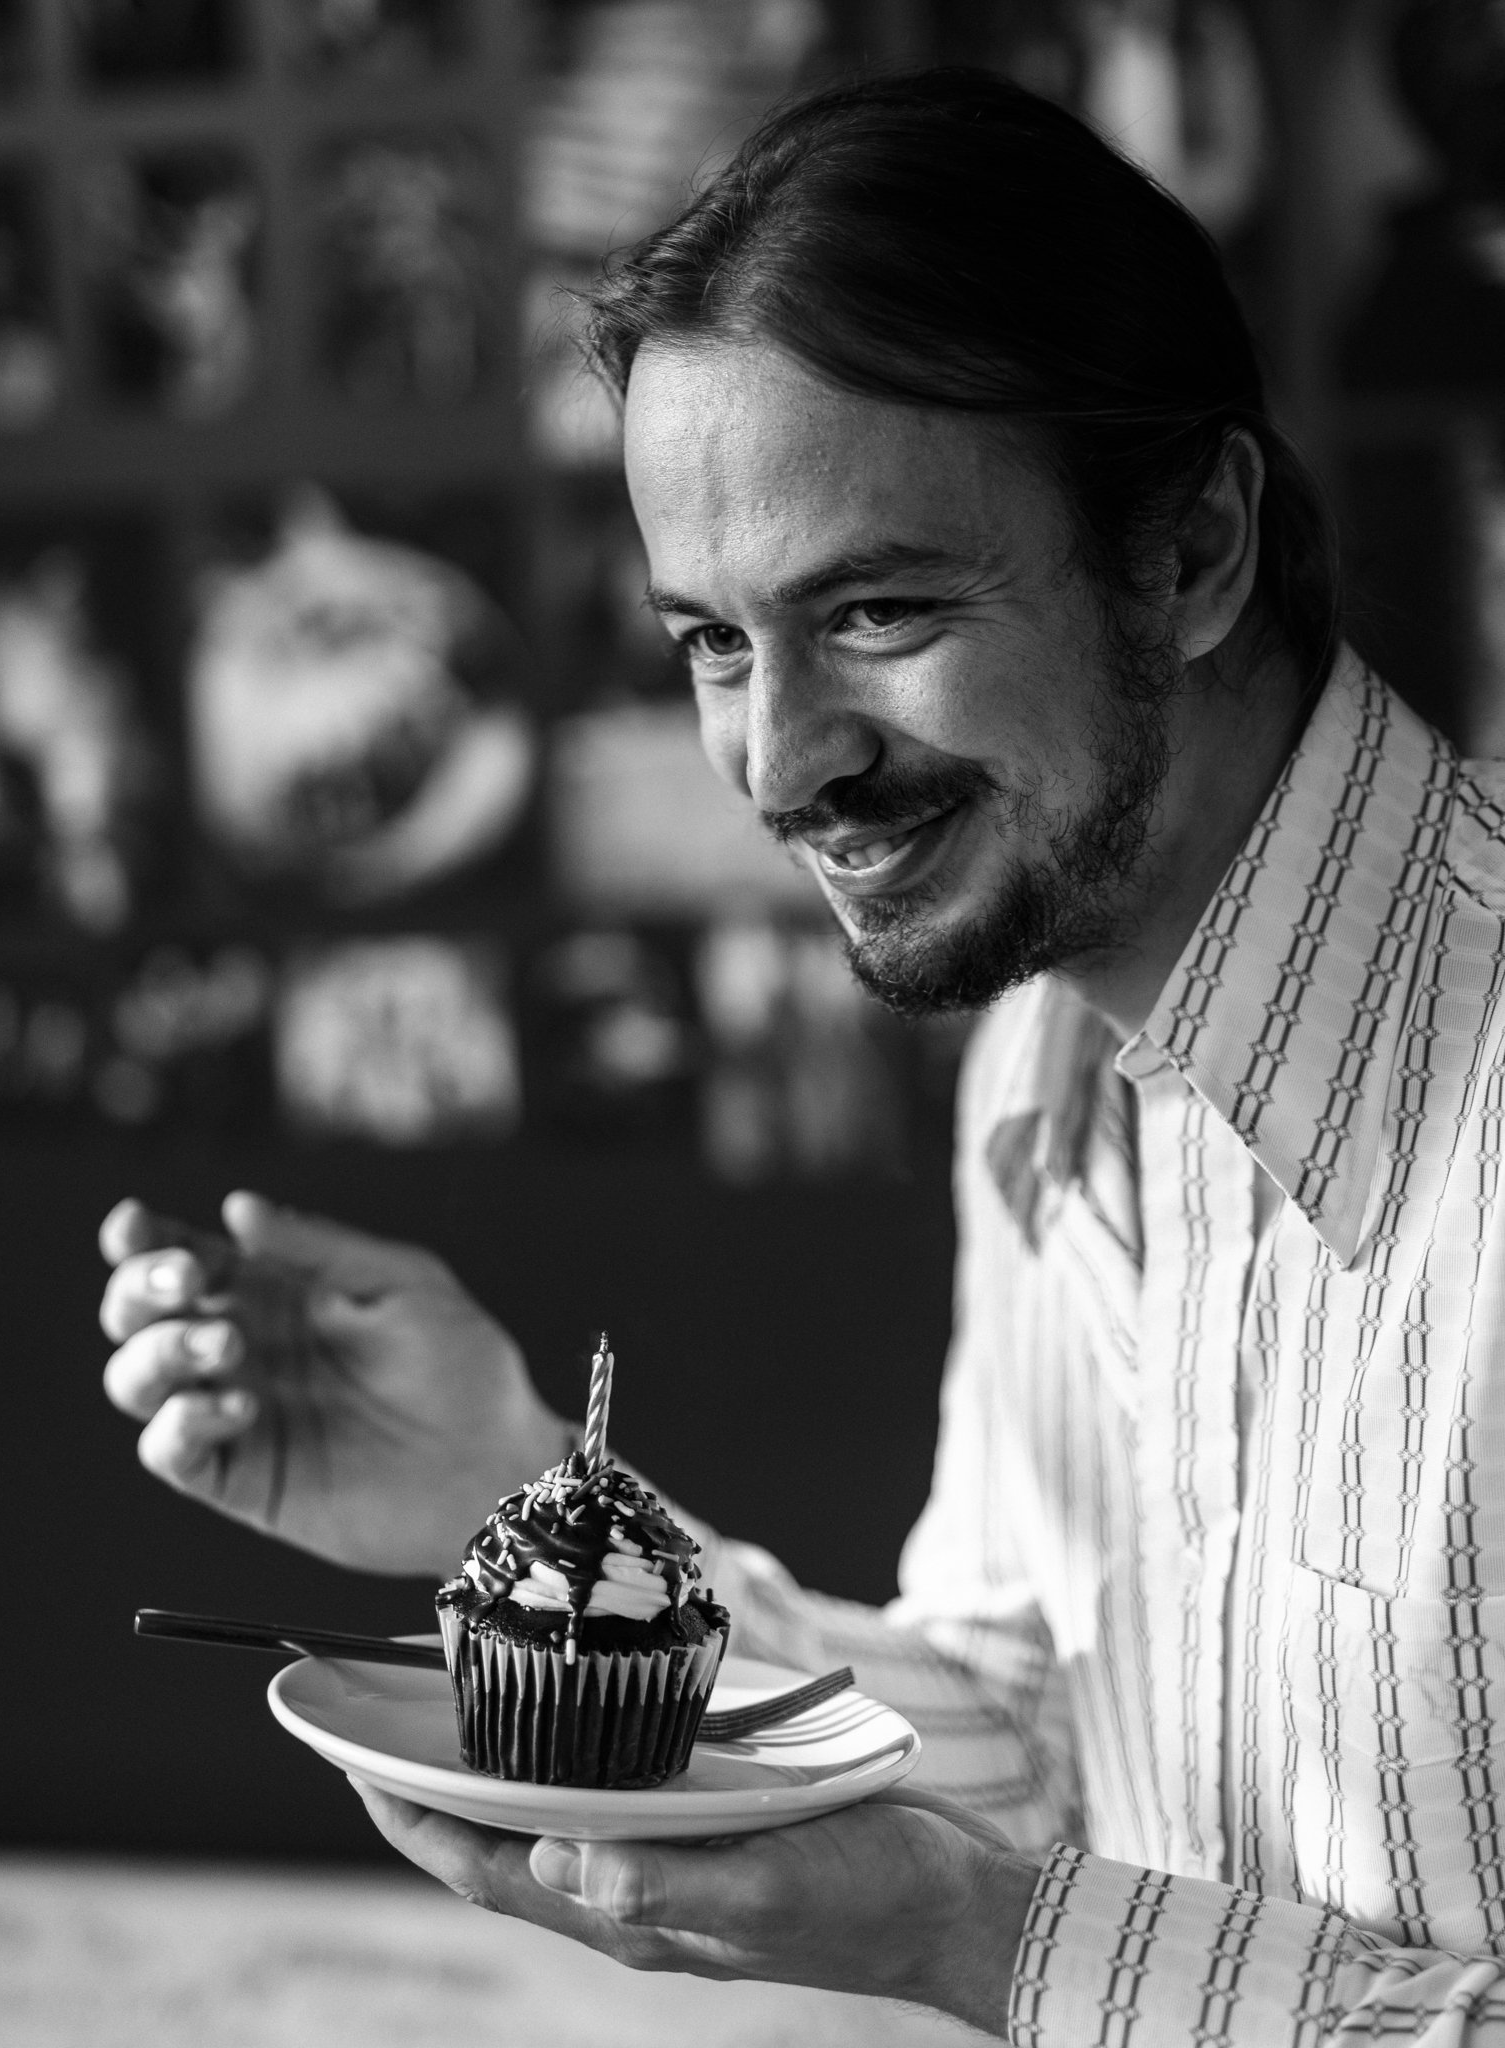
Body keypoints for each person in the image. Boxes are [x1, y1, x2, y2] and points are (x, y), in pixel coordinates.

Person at [99, 68, 1505, 2043]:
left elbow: (1001, 1896)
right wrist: (511, 1505)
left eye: (877, 608)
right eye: (714, 642)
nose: (777, 764)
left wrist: (980, 1944)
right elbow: (1027, 1718)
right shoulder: (1047, 1052)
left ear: (1191, 548)